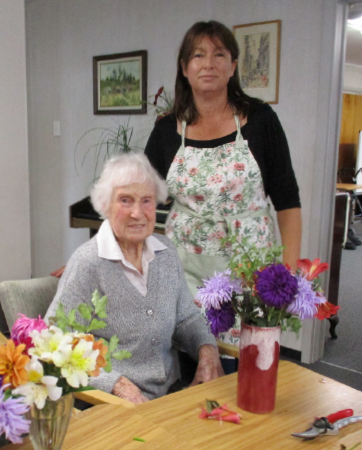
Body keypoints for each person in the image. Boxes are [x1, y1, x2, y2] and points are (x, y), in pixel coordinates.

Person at [144, 21, 302, 343]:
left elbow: (287, 202)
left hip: (250, 270)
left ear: (232, 66)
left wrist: (287, 277)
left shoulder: (261, 121)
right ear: (185, 68)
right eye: (198, 55)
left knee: (246, 363)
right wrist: (98, 254)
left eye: (219, 54)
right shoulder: (166, 130)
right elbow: (138, 199)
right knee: (189, 358)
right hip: (184, 271)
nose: (208, 63)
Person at [45, 153, 223, 404]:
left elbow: (186, 317)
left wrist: (208, 351)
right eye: (125, 201)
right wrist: (117, 385)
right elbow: (54, 340)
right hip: (110, 404)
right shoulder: (88, 263)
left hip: (169, 396)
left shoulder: (166, 252)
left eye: (146, 201)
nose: (137, 213)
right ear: (105, 206)